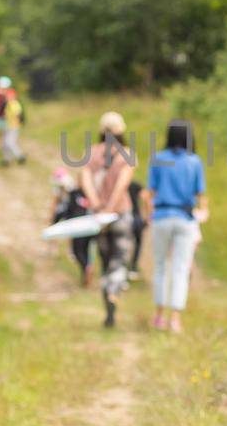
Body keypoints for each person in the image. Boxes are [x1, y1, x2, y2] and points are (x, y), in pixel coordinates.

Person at [143, 120, 207, 334]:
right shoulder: (194, 161)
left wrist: (147, 214)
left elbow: (149, 193)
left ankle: (159, 315)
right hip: (184, 218)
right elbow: (200, 194)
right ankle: (175, 318)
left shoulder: (159, 159)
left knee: (160, 266)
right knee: (181, 268)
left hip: (161, 216)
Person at [81, 111, 136, 327]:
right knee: (120, 259)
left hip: (98, 217)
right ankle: (114, 291)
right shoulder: (127, 154)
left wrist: (97, 205)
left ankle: (108, 307)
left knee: (105, 261)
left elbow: (85, 180)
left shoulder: (91, 153)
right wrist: (112, 207)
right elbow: (123, 184)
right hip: (120, 213)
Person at [50, 166, 93, 286]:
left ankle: (86, 268)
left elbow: (67, 209)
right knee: (85, 250)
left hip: (77, 226)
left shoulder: (74, 193)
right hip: (89, 225)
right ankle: (86, 271)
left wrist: (57, 220)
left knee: (77, 251)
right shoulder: (92, 194)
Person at [0, 76, 25, 164]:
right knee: (5, 144)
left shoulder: (14, 103)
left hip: (13, 126)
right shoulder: (7, 102)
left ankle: (20, 156)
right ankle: (6, 159)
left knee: (9, 142)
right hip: (7, 125)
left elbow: (18, 114)